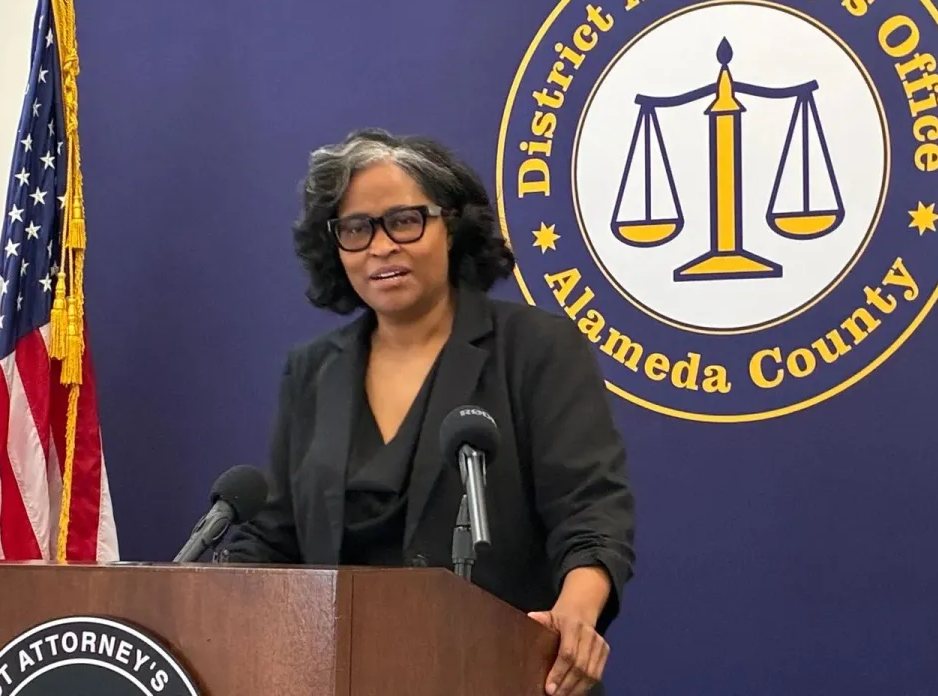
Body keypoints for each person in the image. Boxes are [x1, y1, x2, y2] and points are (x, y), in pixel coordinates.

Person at [218, 128, 636, 696]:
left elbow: (590, 514)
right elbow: (274, 537)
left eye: (405, 220)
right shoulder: (312, 370)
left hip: (499, 673)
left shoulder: (536, 349)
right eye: (357, 229)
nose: (381, 247)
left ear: (453, 226)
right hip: (337, 677)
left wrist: (574, 617)